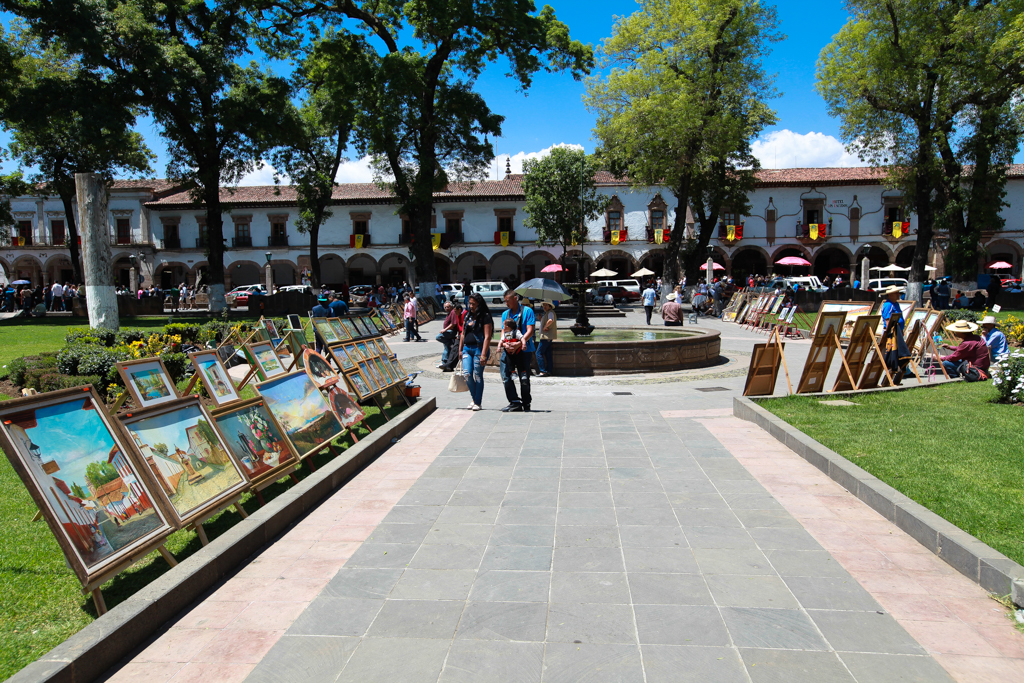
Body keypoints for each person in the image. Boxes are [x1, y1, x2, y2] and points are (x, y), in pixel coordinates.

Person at [499, 290, 535, 412]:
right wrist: (504, 344)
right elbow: (503, 332)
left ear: (515, 298)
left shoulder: (527, 311)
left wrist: (519, 343)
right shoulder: (505, 314)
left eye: (508, 301)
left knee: (524, 379)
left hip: (524, 351)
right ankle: (514, 402)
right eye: (505, 301)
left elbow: (530, 330)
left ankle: (526, 403)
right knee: (506, 376)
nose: (506, 303)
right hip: (508, 351)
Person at [459, 293, 493, 411]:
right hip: (467, 348)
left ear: (479, 304)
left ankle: (477, 402)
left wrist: (484, 354)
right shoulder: (467, 315)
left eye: (473, 304)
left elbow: (487, 337)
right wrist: (460, 349)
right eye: (470, 303)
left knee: (478, 375)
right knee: (467, 374)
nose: (471, 306)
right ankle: (474, 399)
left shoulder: (485, 316)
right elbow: (463, 334)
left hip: (479, 348)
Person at [437, 301, 460, 369]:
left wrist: (445, 329)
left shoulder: (453, 312)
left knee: (438, 337)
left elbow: (453, 324)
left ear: (451, 307)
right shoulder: (449, 313)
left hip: (451, 331)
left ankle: (449, 343)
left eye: (448, 307)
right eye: (445, 307)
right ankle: (444, 361)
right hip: (448, 331)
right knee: (446, 347)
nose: (446, 308)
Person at [536, 300, 557, 377]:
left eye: (546, 305)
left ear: (550, 306)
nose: (544, 307)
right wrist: (541, 319)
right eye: (543, 305)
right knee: (548, 354)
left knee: (538, 353)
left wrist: (545, 326)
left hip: (546, 337)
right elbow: (547, 321)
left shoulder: (550, 312)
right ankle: (549, 371)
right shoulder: (547, 313)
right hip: (547, 337)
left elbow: (551, 320)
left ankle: (542, 371)